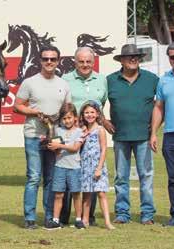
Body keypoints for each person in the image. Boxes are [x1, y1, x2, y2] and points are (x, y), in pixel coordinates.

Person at [14, 45, 71, 229]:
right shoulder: (30, 82)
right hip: (33, 135)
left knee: (51, 178)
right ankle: (29, 218)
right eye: (45, 59)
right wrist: (33, 112)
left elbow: (67, 110)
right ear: (40, 60)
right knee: (33, 177)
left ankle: (48, 216)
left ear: (58, 61)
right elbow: (17, 106)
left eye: (52, 59)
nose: (49, 62)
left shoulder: (63, 84)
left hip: (54, 137)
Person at [107, 44, 158, 225]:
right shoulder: (110, 80)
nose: (133, 59)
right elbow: (96, 102)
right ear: (121, 60)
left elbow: (160, 106)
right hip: (120, 136)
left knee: (146, 176)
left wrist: (155, 129)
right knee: (121, 176)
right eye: (129, 57)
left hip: (144, 136)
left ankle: (147, 214)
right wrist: (103, 121)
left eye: (136, 56)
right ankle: (122, 213)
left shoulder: (152, 80)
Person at [61, 46, 109, 226]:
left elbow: (101, 103)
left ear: (93, 62)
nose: (85, 64)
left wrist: (91, 122)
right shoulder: (66, 79)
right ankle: (65, 215)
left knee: (91, 173)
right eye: (81, 61)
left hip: (92, 134)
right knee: (69, 172)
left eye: (88, 61)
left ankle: (89, 216)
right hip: (72, 133)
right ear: (75, 62)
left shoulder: (102, 79)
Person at [150, 41, 174, 227]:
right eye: (173, 57)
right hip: (171, 136)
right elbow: (158, 108)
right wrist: (154, 133)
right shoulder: (163, 80)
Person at [45, 103, 84, 230]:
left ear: (75, 118)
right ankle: (56, 220)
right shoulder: (57, 130)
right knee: (58, 194)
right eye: (64, 118)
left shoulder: (80, 132)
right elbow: (55, 149)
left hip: (74, 168)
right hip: (59, 167)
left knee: (76, 194)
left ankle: (79, 219)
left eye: (69, 117)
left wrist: (60, 146)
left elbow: (75, 148)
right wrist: (51, 146)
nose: (67, 121)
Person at [79, 101, 114, 230]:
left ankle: (107, 222)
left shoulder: (100, 130)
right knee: (87, 194)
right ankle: (85, 220)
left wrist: (99, 168)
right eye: (87, 112)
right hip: (85, 166)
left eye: (92, 112)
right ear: (82, 115)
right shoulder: (82, 130)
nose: (89, 115)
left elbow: (104, 149)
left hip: (97, 166)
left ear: (97, 114)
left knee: (101, 194)